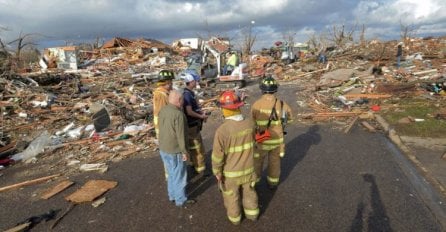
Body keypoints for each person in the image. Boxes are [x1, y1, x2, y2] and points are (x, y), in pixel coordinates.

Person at [212, 90, 259, 225]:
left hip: (231, 173)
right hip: (249, 169)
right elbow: (256, 143)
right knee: (249, 192)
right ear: (238, 106)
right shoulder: (250, 123)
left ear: (224, 109)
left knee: (231, 197)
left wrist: (217, 172)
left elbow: (217, 156)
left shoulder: (222, 131)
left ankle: (235, 219)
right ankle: (253, 214)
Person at [251, 76, 293, 189]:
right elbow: (290, 120)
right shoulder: (283, 104)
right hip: (277, 142)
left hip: (261, 140)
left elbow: (252, 124)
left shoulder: (256, 105)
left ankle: (255, 182)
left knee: (257, 162)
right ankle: (273, 183)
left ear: (262, 89)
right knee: (275, 163)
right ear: (275, 89)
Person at [158, 90, 196, 207]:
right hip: (175, 150)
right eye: (182, 100)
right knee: (179, 175)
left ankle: (172, 195)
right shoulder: (178, 114)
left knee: (171, 173)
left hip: (164, 147)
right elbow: (181, 135)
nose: (183, 102)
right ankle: (181, 200)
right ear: (179, 100)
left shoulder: (163, 110)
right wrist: (185, 151)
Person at [182, 73, 208, 175]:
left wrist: (201, 112)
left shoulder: (190, 93)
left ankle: (195, 164)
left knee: (193, 146)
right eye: (195, 81)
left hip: (194, 124)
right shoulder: (187, 95)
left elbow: (194, 108)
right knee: (197, 148)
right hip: (192, 125)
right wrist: (201, 116)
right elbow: (189, 111)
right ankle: (201, 169)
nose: (196, 82)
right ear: (191, 82)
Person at [152, 70, 175, 139]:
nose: (172, 84)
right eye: (171, 81)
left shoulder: (165, 92)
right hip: (164, 128)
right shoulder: (161, 95)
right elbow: (163, 113)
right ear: (167, 82)